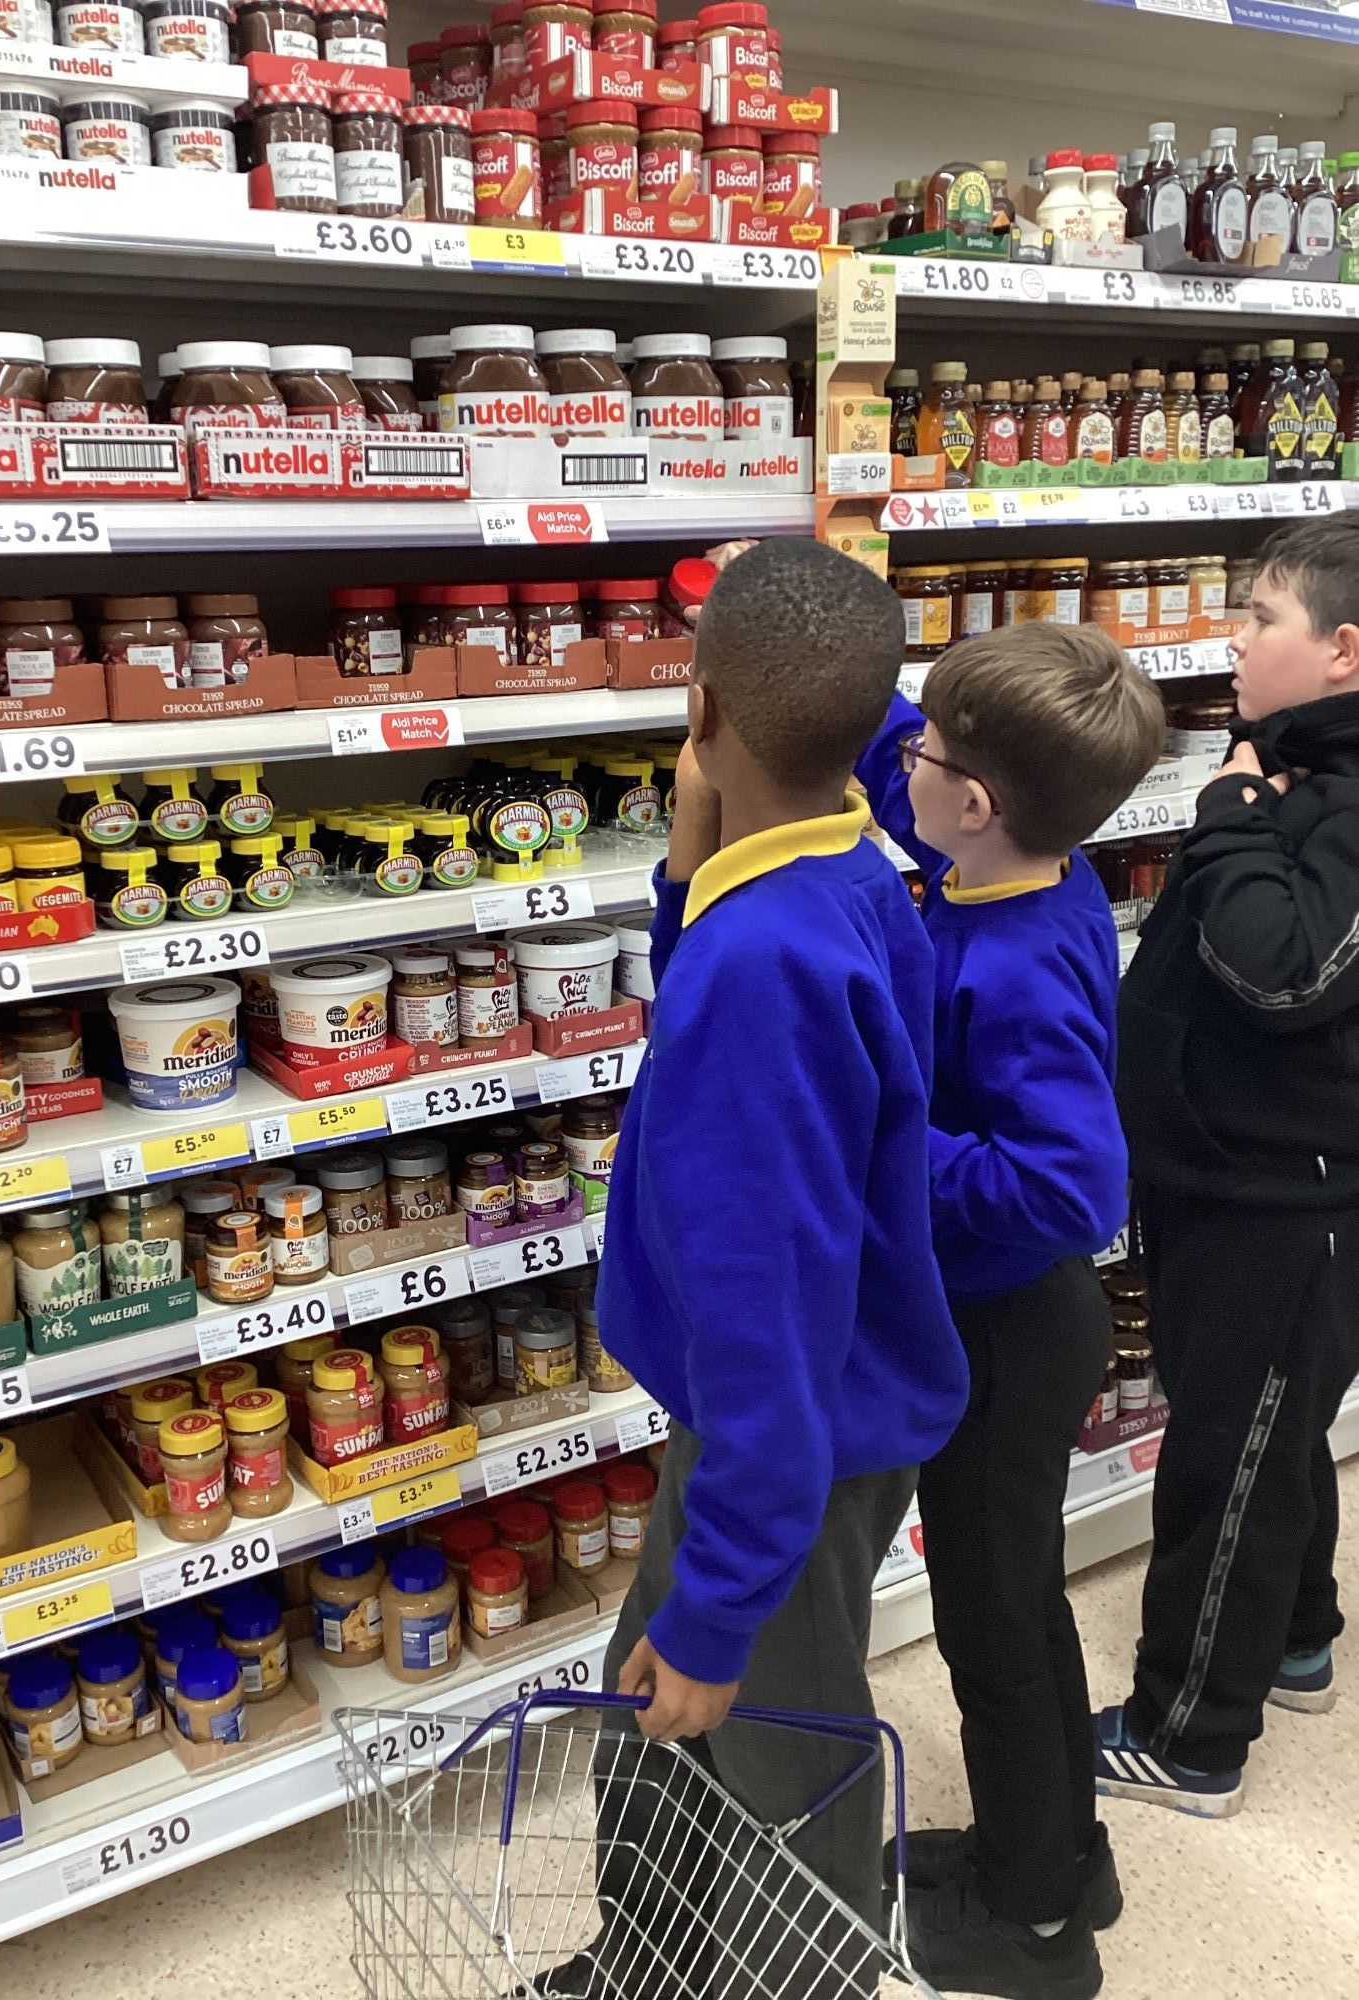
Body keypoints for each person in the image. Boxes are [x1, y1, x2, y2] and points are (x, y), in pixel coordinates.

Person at [539, 537, 969, 2000]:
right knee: (650, 1721)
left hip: (789, 1438)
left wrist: (722, 1604)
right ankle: (648, 1962)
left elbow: (768, 1317)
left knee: (785, 1772)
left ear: (702, 706)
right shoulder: (848, 866)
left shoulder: (761, 968)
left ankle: (810, 1978)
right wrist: (685, 862)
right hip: (782, 1426)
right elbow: (725, 982)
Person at [855, 623, 1165, 2000]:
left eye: (924, 754)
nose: (903, 766)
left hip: (1007, 1327)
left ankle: (1036, 1927)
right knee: (1022, 1601)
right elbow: (906, 764)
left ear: (973, 802)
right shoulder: (1021, 862)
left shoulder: (1015, 961)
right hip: (1013, 1318)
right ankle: (1060, 1855)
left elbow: (1070, 1185)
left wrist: (890, 1148)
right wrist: (847, 671)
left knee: (992, 1629)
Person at [1096, 510, 1359, 1818]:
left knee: (1227, 1465)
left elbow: (1284, 968)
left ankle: (1190, 1735)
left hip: (1284, 1202)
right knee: (1276, 1434)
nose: (1235, 639)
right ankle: (1297, 1637)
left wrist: (1228, 811)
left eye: (1262, 618)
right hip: (1229, 1174)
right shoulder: (1303, 763)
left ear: (1345, 651)